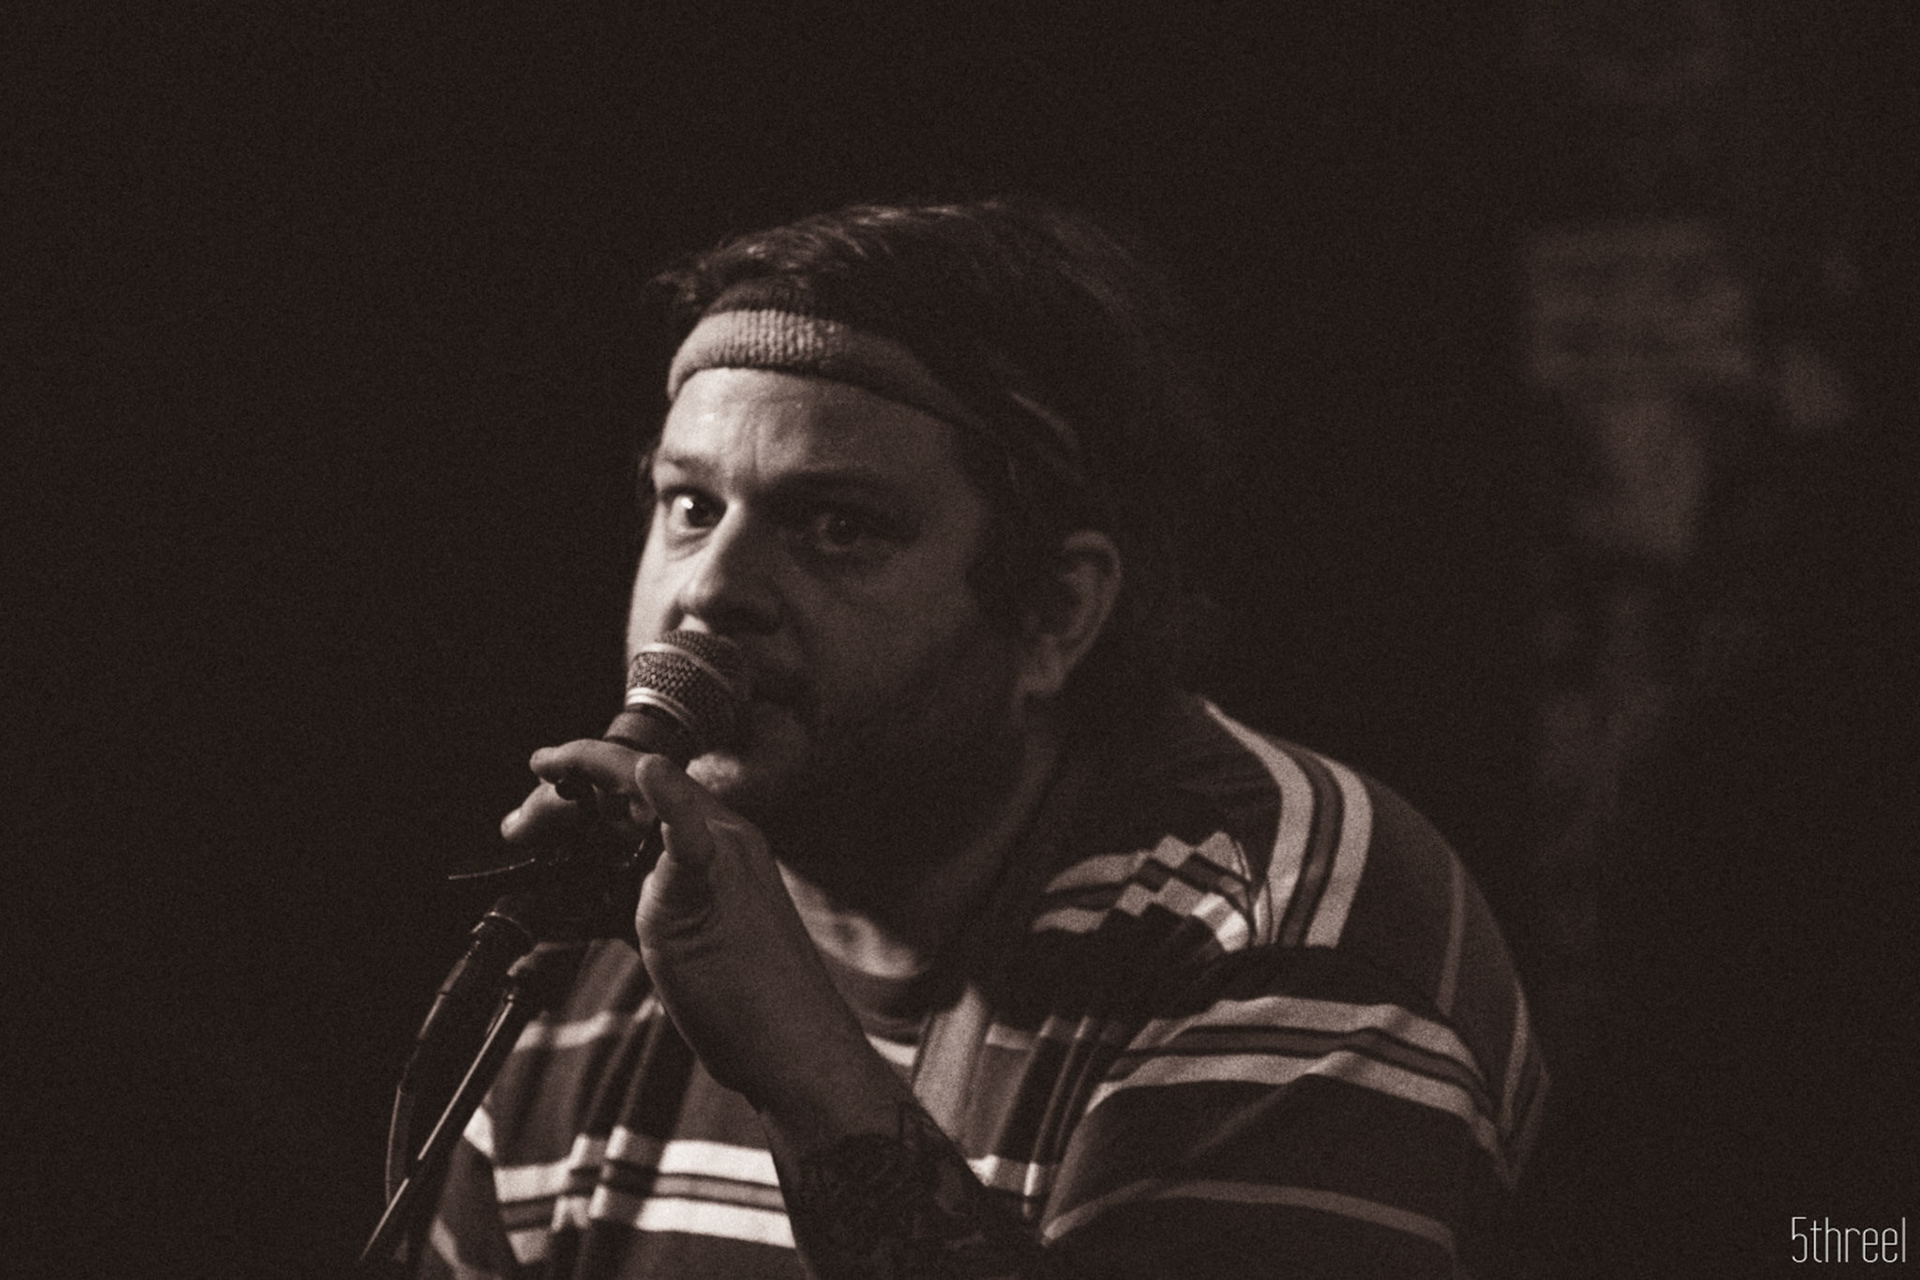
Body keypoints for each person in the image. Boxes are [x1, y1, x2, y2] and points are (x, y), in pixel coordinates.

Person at [419, 199, 1546, 1279]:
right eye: (691, 506)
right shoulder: (599, 975)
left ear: (1054, 612)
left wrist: (804, 1073)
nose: (712, 589)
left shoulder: (1285, 930)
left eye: (839, 526)